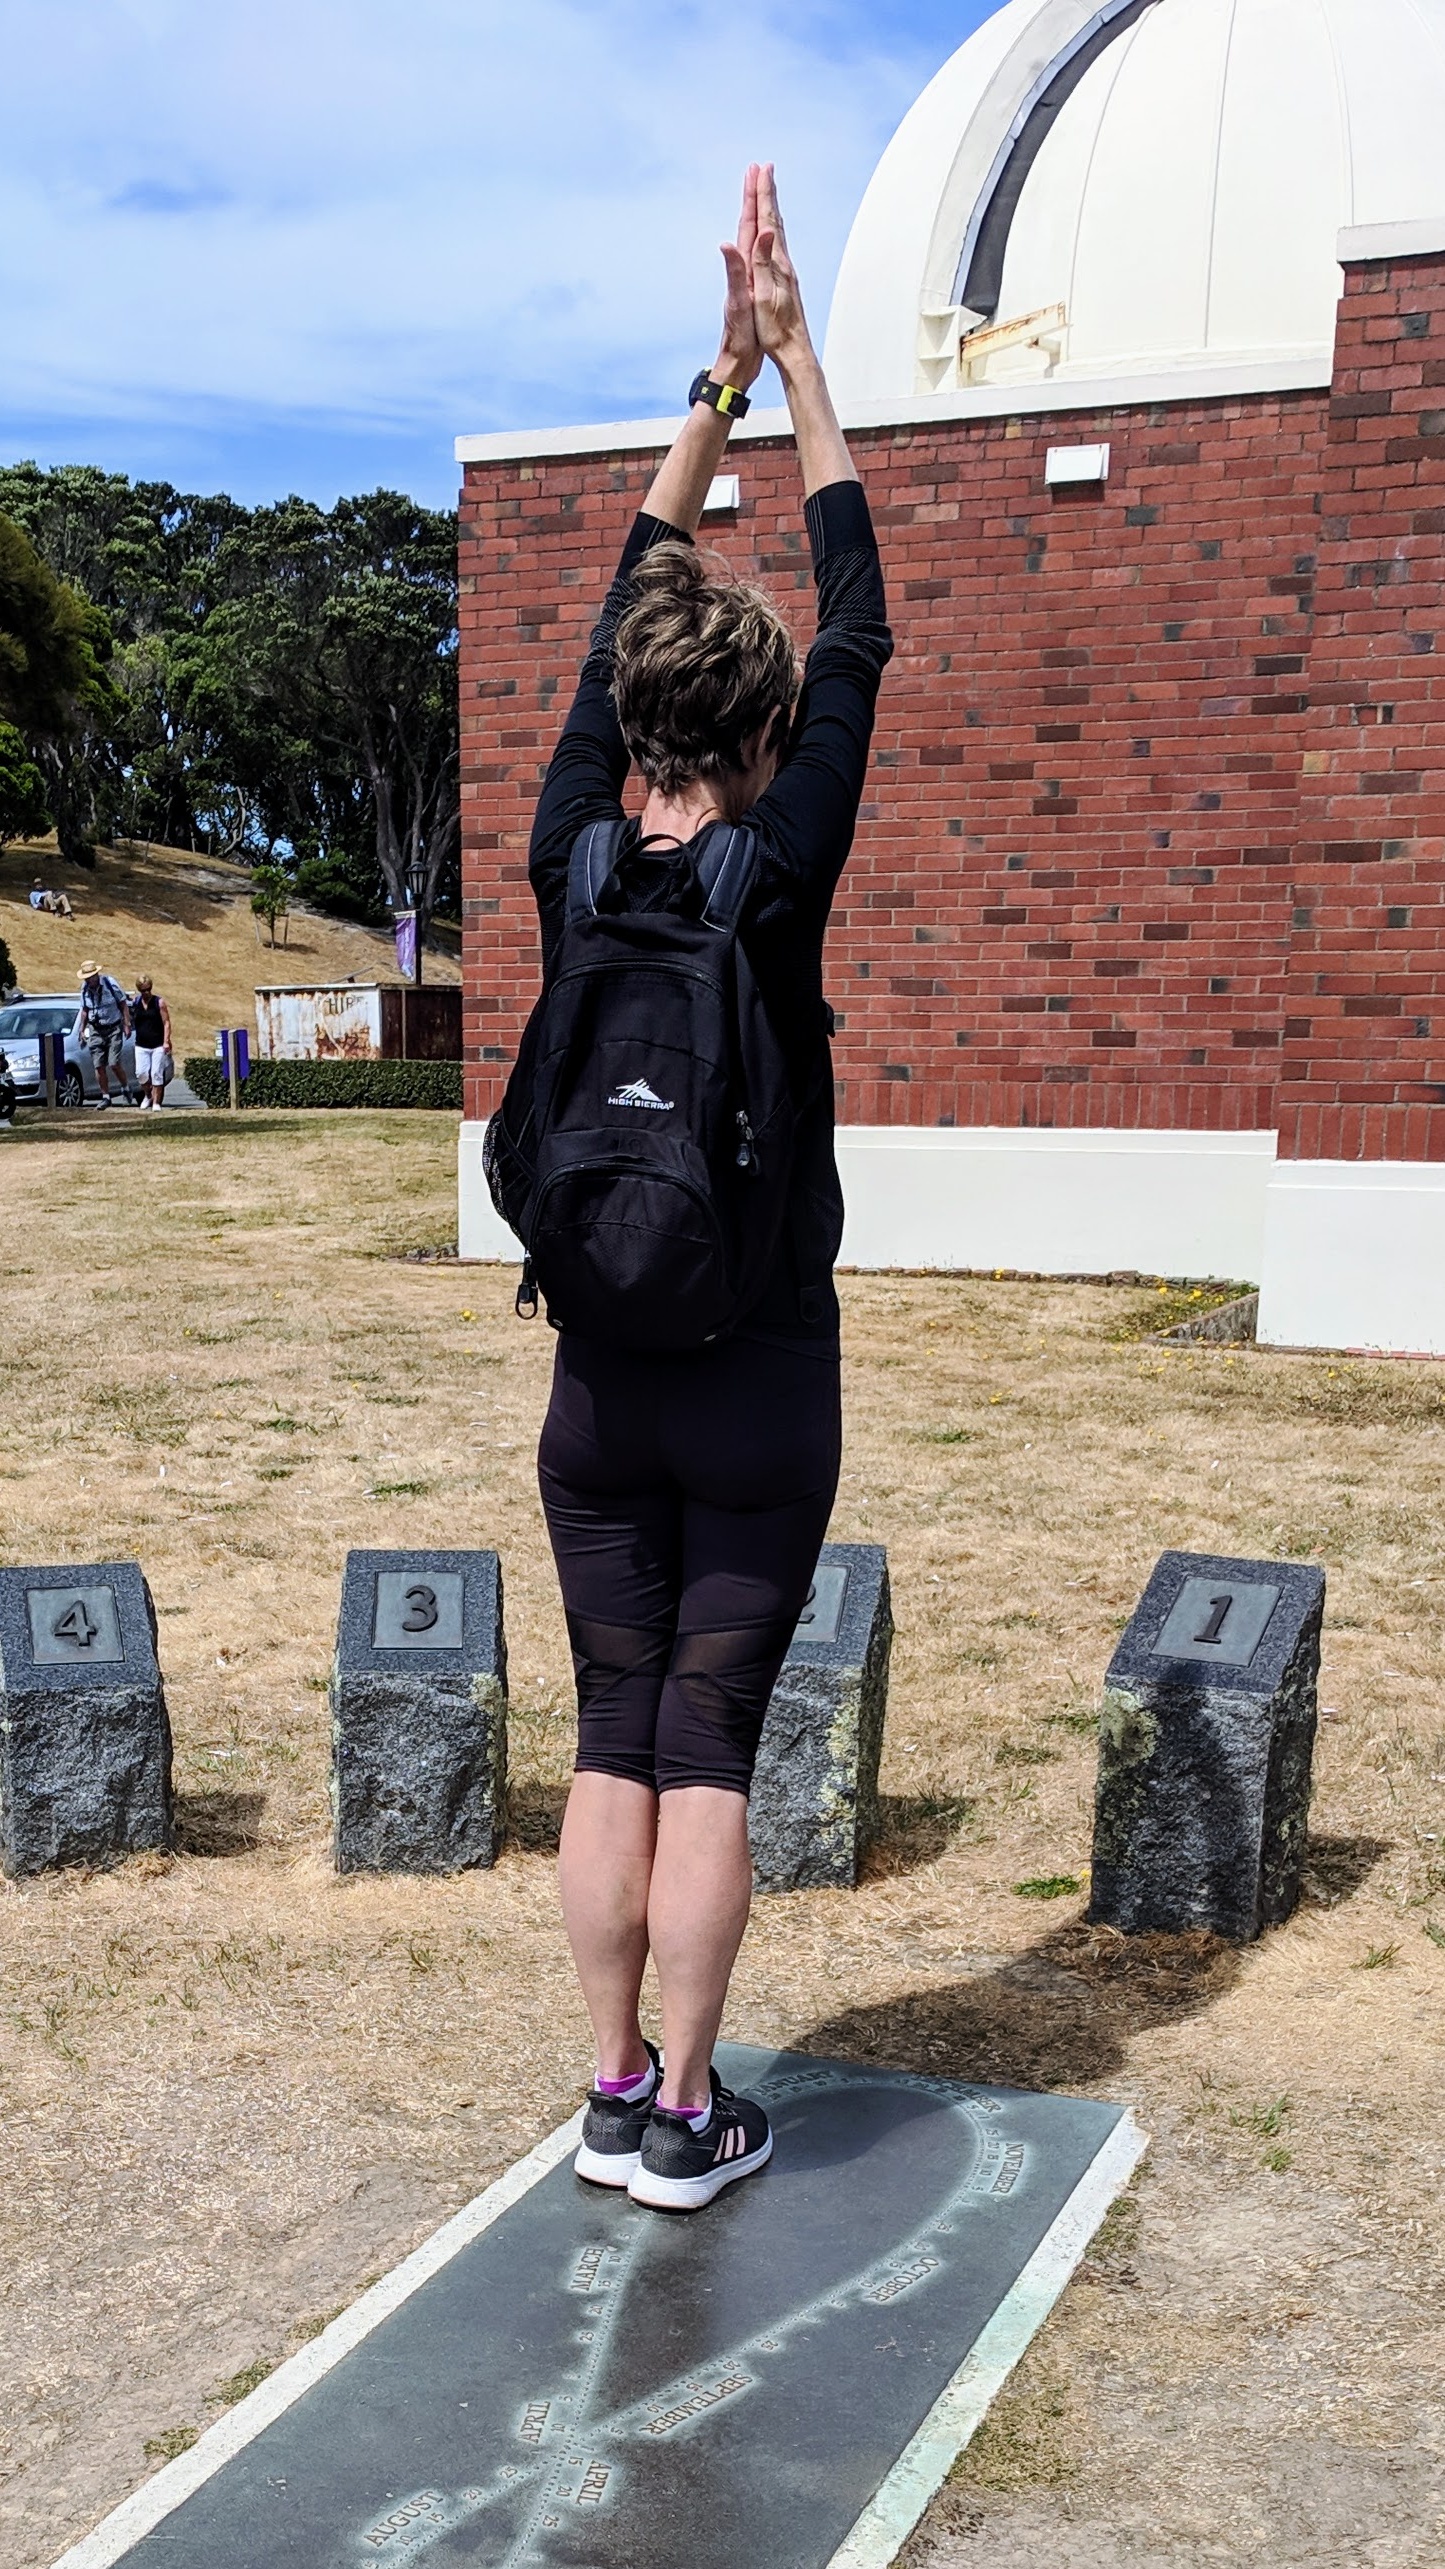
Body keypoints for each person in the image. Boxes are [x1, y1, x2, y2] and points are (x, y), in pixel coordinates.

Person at [524, 166, 892, 2212]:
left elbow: (613, 607)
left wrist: (709, 387)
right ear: (755, 736)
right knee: (706, 1747)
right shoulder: (778, 868)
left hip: (592, 1378)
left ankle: (599, 2088)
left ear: (635, 718)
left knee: (604, 1737)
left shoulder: (574, 851)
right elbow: (859, 615)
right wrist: (798, 356)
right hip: (757, 1379)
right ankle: (683, 2109)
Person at [74, 961, 131, 1105]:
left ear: (96, 975)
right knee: (98, 1065)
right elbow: (85, 1010)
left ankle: (125, 1087)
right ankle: (105, 1097)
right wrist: (82, 1029)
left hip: (113, 1027)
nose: (89, 980)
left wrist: (127, 1024)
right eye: (86, 978)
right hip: (96, 1029)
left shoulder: (110, 983)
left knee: (113, 1063)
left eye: (91, 977)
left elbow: (123, 1003)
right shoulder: (85, 989)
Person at [130, 975, 173, 1109]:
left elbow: (166, 1022)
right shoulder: (136, 1003)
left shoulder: (158, 1002)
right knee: (141, 1074)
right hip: (141, 1044)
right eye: (143, 990)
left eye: (148, 989)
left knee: (156, 1073)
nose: (146, 993)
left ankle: (156, 1103)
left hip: (157, 1044)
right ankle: (148, 1095)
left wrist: (166, 1041)